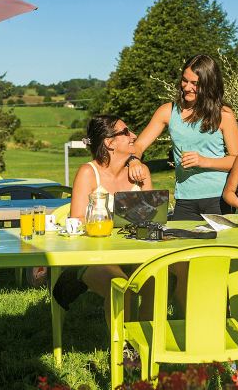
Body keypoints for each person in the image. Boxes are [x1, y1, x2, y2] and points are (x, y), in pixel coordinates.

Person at [54, 114, 154, 328]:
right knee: (120, 285)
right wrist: (118, 217)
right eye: (126, 132)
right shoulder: (88, 173)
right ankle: (123, 350)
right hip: (95, 255)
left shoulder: (141, 172)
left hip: (135, 251)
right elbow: (77, 220)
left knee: (155, 281)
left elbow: (152, 218)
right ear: (109, 143)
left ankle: (146, 342)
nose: (134, 135)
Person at [127, 54, 238, 220]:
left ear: (209, 84)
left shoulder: (223, 114)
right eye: (184, 81)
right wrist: (134, 160)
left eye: (195, 84)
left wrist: (204, 161)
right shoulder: (167, 111)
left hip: (218, 198)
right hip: (184, 199)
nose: (187, 87)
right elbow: (137, 147)